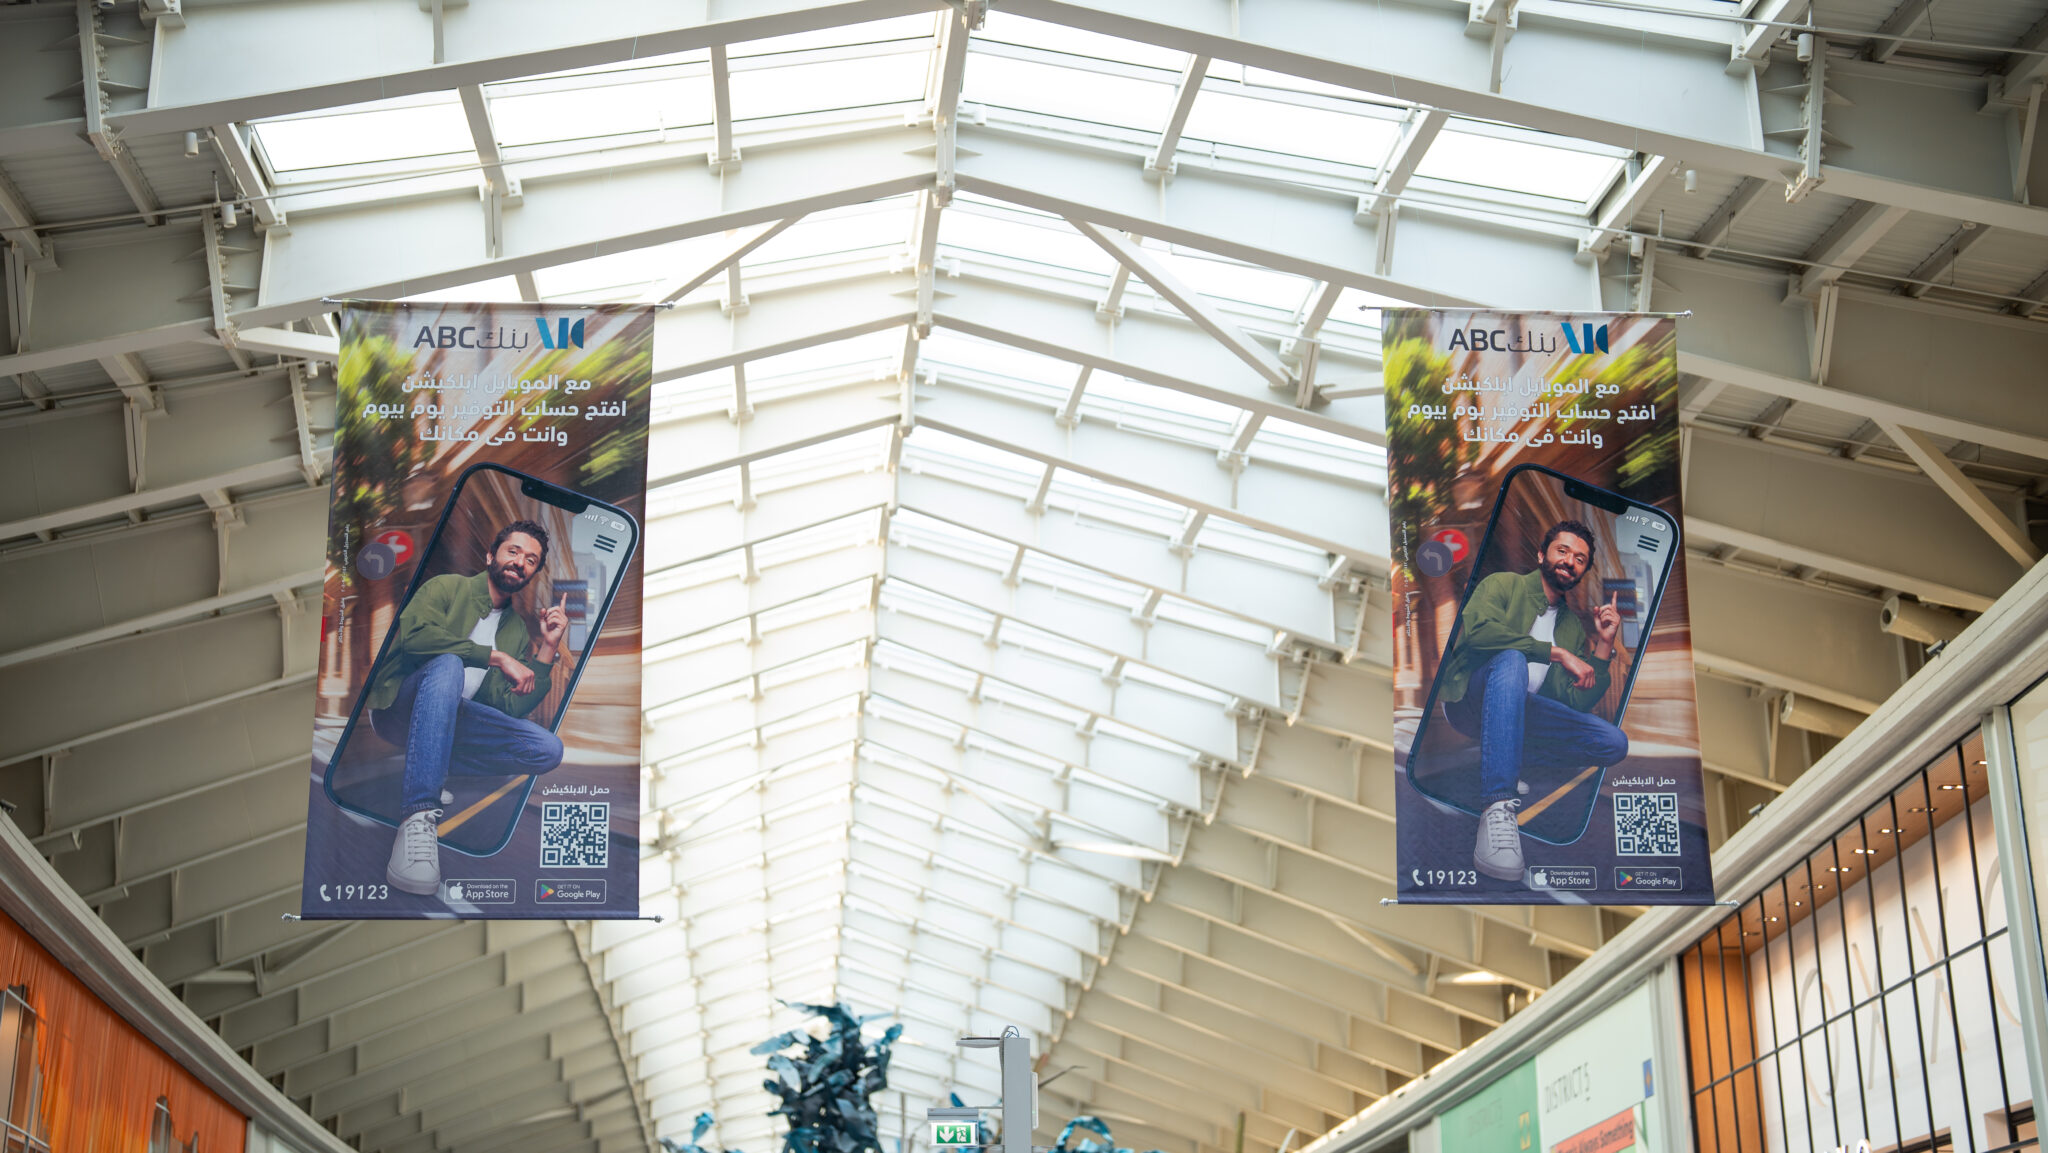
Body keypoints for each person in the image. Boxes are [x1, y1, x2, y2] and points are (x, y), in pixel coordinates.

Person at [362, 519, 570, 894]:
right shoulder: (447, 587)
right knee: (448, 665)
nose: (520, 562)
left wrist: (548, 648)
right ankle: (417, 817)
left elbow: (507, 707)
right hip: (398, 708)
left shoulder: (515, 629)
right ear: (491, 556)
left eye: (531, 560)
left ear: (532, 573)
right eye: (513, 551)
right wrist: (495, 657)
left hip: (455, 722)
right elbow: (416, 639)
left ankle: (433, 764)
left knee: (548, 749)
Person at [1434, 519, 1629, 881]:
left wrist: (1604, 644)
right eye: (1562, 550)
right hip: (1469, 701)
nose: (1570, 561)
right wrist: (1556, 653)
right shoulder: (1503, 584)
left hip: (1523, 711)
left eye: (1580, 559)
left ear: (1582, 571)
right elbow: (1478, 635)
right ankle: (1497, 807)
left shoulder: (1571, 626)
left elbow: (1572, 702)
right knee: (1512, 659)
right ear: (1542, 555)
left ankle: (1512, 757)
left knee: (1613, 742)